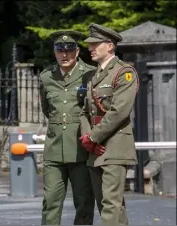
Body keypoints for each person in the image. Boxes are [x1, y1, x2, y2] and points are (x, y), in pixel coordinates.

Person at [79, 23, 139, 225]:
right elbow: (85, 111)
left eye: (95, 44)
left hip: (114, 145)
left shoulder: (124, 72)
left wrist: (94, 137)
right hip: (95, 148)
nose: (90, 48)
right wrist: (88, 138)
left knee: (110, 203)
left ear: (110, 46)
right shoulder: (93, 76)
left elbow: (119, 111)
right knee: (108, 205)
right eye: (89, 44)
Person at [39, 30, 96, 225]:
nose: (65, 55)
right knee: (51, 202)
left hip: (80, 148)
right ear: (55, 52)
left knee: (84, 202)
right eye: (60, 50)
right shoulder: (47, 76)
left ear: (77, 51)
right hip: (54, 150)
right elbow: (47, 110)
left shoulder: (90, 74)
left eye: (69, 50)